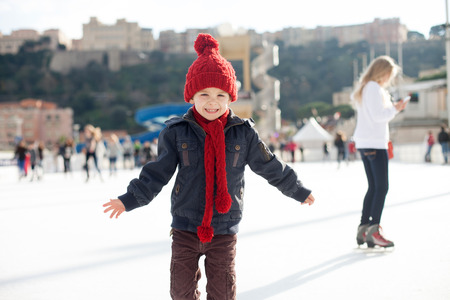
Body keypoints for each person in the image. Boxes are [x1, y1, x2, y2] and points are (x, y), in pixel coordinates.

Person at [103, 34, 315, 300]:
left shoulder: (243, 133)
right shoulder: (176, 132)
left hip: (224, 229)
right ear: (192, 96)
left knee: (223, 293)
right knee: (181, 292)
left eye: (220, 95)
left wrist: (296, 189)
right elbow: (157, 173)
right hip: (185, 227)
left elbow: (269, 165)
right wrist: (129, 199)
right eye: (204, 94)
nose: (212, 101)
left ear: (230, 98)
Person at [351, 55, 408, 248]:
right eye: (389, 75)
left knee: (374, 187)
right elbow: (378, 116)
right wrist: (395, 108)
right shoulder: (374, 88)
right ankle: (373, 230)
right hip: (375, 142)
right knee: (381, 187)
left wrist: (392, 107)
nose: (388, 79)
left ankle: (364, 227)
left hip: (366, 142)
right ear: (382, 72)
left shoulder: (364, 88)